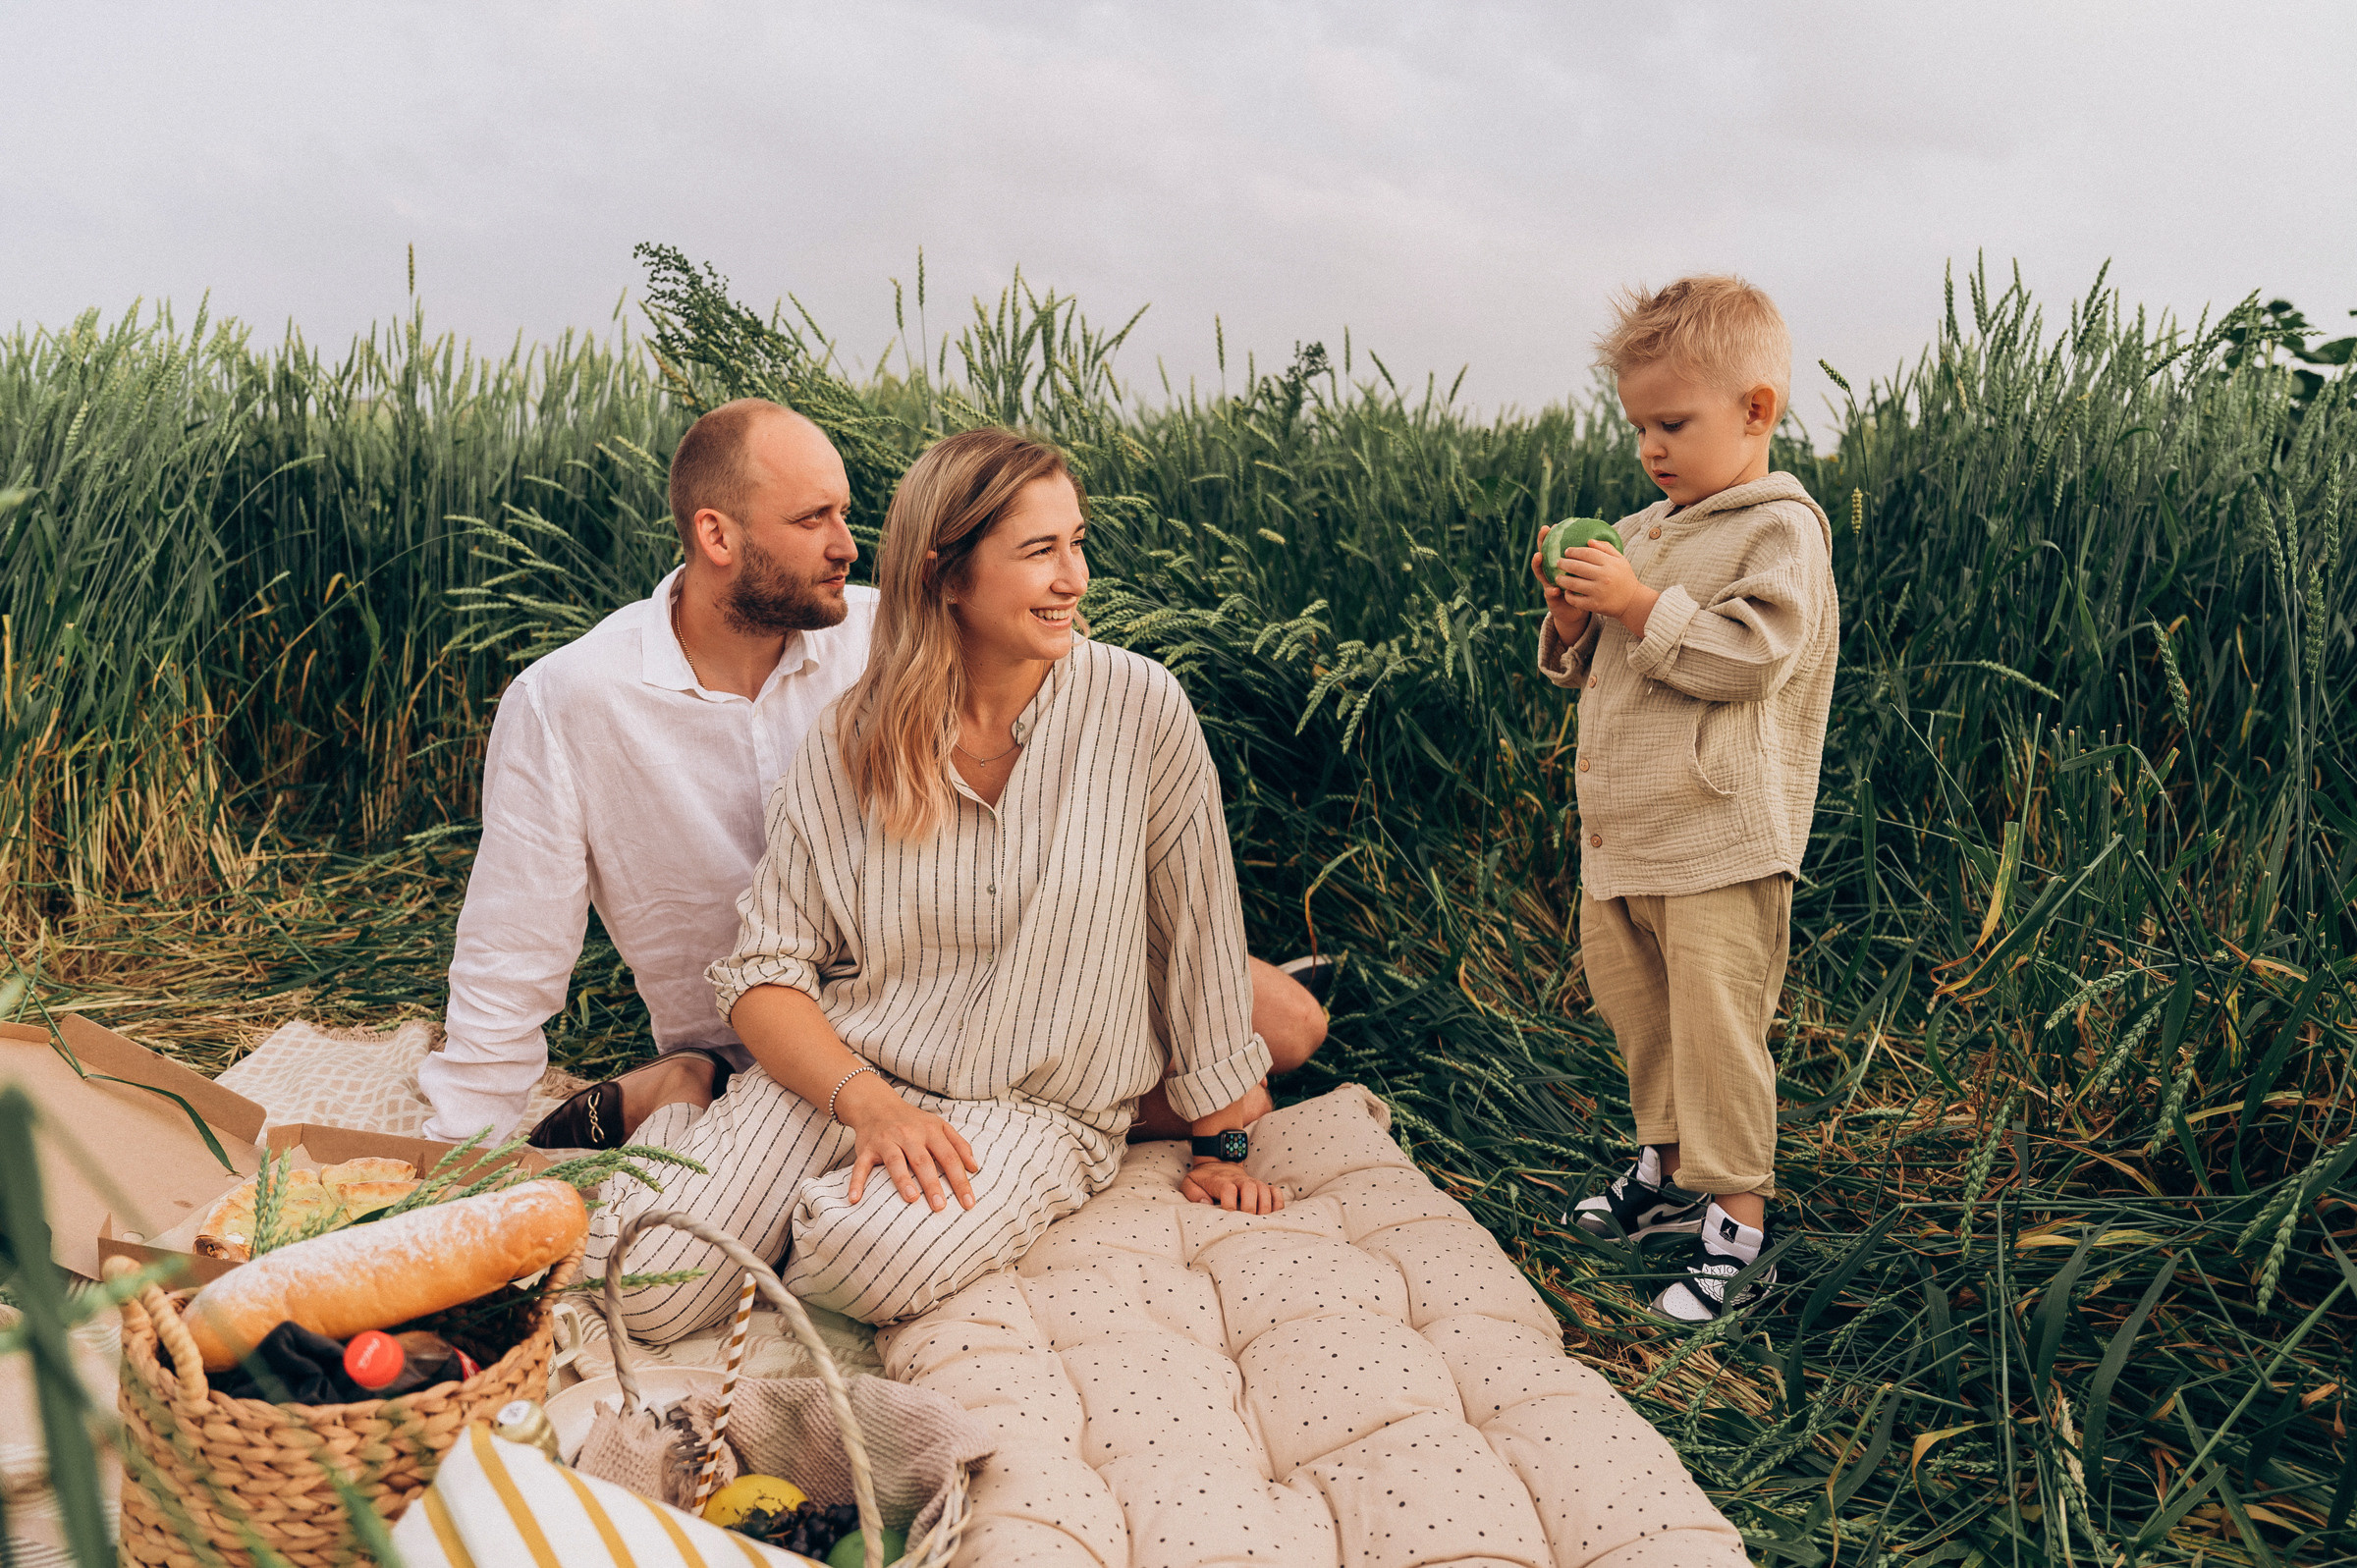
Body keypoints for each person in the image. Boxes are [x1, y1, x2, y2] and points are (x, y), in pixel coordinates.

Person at [420, 399, 1327, 1151]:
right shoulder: (569, 699)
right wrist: (464, 1153)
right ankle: (688, 1084)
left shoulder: (896, 630)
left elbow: (1066, 703)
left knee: (1287, 1025)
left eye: (845, 514)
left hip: (971, 967)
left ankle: (1010, 1098)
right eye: (813, 520)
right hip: (776, 1030)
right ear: (716, 534)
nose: (847, 544)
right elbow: (510, 955)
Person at [584, 427, 1285, 1337]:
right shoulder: (851, 736)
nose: (1074, 578)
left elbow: (1196, 929)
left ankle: (772, 1195)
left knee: (862, 1259)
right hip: (843, 1076)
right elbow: (765, 972)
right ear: (946, 574)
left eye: (1078, 543)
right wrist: (867, 1104)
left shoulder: (1140, 706)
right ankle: (685, 1097)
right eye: (1040, 551)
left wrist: (1223, 1139)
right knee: (642, 1281)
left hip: (1035, 1105)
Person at [1533, 276, 1836, 1321]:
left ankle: (1739, 1225)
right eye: (1638, 427)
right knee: (1645, 1019)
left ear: (1756, 411)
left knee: (1716, 1033)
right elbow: (1605, 668)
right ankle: (1664, 1173)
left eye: (1674, 422)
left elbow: (1751, 658)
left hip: (1719, 840)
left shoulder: (1777, 532)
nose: (1651, 448)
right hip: (1627, 837)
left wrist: (1634, 601)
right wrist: (1576, 621)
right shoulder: (1642, 529)